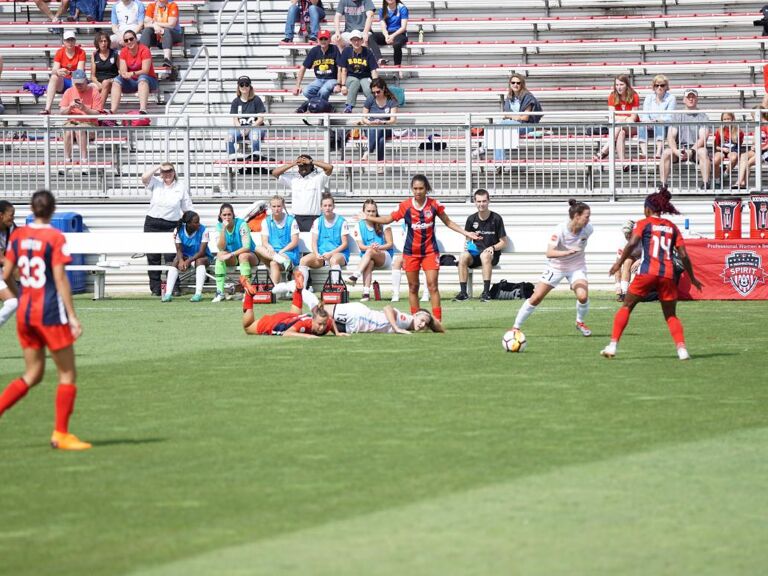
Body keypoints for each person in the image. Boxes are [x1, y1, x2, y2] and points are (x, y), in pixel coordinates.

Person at [0, 190, 90, 451]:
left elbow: (6, 274)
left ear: (31, 209)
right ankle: (60, 434)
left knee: (33, 373)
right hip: (49, 313)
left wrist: (23, 296)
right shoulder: (53, 237)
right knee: (67, 373)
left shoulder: (18, 236)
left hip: (26, 314)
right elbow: (60, 278)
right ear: (52, 210)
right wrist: (72, 316)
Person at [359, 173, 481, 321]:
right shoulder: (405, 206)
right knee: (413, 287)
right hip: (411, 253)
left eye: (421, 188)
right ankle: (416, 320)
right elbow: (388, 219)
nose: (417, 191)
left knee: (432, 286)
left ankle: (437, 321)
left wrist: (466, 232)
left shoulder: (434, 205)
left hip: (430, 252)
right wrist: (368, 217)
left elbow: (448, 222)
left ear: (426, 189)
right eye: (415, 188)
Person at [602, 186, 703, 360]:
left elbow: (631, 244)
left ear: (648, 208)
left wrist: (618, 263)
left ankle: (612, 346)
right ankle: (682, 350)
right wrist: (692, 278)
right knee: (671, 315)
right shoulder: (672, 227)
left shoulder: (643, 223)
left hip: (647, 273)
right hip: (667, 275)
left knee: (626, 306)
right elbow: (684, 256)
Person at [509, 199, 593, 337]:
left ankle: (580, 322)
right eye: (586, 216)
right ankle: (515, 327)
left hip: (577, 267)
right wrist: (566, 252)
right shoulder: (560, 230)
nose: (589, 220)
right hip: (556, 267)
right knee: (536, 297)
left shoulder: (589, 229)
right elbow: (549, 253)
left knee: (583, 296)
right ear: (577, 216)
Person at [291, 278, 444, 333]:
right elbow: (388, 308)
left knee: (318, 325)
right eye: (421, 319)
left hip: (357, 325)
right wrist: (396, 328)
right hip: (358, 315)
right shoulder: (407, 320)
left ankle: (292, 317)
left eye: (425, 323)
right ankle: (297, 287)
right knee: (319, 311)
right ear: (415, 314)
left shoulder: (410, 325)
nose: (422, 324)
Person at [141, 162, 193, 296]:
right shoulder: (156, 183)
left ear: (174, 172)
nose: (167, 174)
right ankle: (155, 288)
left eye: (169, 171)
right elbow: (144, 177)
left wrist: (191, 225)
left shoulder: (180, 187)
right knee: (153, 257)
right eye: (164, 172)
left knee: (172, 256)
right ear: (160, 173)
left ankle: (174, 287)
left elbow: (187, 209)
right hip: (152, 223)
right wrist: (159, 166)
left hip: (172, 224)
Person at [242, 271, 337, 338]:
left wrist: (337, 333)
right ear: (313, 320)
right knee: (248, 327)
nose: (322, 327)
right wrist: (308, 336)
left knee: (295, 316)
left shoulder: (325, 322)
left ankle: (298, 291)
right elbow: (287, 333)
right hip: (273, 323)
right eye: (319, 324)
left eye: (324, 324)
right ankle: (249, 296)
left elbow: (330, 321)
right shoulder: (304, 324)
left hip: (291, 317)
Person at [454, 188, 508, 303]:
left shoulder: (496, 218)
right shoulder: (471, 219)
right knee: (463, 256)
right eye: (478, 201)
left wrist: (492, 247)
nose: (481, 204)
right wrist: (468, 247)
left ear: (488, 201)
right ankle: (463, 293)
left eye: (484, 201)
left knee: (485, 255)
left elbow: (504, 242)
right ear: (474, 202)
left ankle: (486, 293)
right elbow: (467, 240)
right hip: (475, 256)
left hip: (491, 256)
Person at [485, 74, 541, 170]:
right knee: (499, 131)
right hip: (511, 125)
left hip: (526, 125)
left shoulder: (527, 97)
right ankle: (499, 163)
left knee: (499, 126)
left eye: (518, 83)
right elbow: (506, 115)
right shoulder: (510, 97)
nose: (515, 85)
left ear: (522, 84)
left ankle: (485, 148)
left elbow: (525, 118)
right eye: (513, 82)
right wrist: (514, 117)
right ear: (510, 84)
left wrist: (512, 117)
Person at [659, 88, 710, 189]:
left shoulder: (703, 116)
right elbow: (671, 136)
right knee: (666, 152)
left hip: (695, 149)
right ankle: (663, 184)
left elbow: (703, 138)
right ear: (684, 99)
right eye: (688, 97)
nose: (691, 99)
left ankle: (706, 183)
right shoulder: (677, 116)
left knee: (703, 152)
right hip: (680, 149)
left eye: (693, 97)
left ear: (697, 99)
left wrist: (691, 151)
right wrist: (675, 151)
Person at [298, 192, 350, 285]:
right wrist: (317, 253)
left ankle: (336, 287)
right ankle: (302, 289)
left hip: (338, 255)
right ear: (321, 207)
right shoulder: (318, 221)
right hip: (322, 255)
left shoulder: (342, 221)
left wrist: (331, 253)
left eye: (330, 205)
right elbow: (314, 242)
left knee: (334, 260)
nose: (327, 208)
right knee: (303, 260)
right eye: (325, 205)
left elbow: (345, 244)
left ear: (334, 207)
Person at [58, 69, 103, 175]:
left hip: (89, 124)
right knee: (68, 129)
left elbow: (97, 113)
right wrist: (70, 107)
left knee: (79, 129)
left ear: (86, 81)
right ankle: (67, 160)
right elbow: (62, 112)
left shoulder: (94, 91)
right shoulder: (69, 91)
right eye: (76, 84)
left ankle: (84, 161)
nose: (79, 86)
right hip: (73, 123)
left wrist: (84, 108)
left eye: (81, 83)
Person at [271, 154, 334, 232]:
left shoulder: (318, 179)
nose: (303, 167)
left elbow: (330, 168)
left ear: (311, 166)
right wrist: (293, 164)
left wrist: (311, 161)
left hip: (313, 218)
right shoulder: (293, 179)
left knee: (312, 242)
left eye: (306, 165)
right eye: (301, 165)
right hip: (296, 218)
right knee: (295, 243)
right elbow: (274, 173)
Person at [348, 199, 394, 302]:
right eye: (368, 211)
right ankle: (366, 293)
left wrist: (378, 248)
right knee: (369, 260)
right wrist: (372, 248)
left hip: (385, 257)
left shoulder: (383, 223)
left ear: (376, 211)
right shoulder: (358, 226)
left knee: (369, 251)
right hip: (368, 259)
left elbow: (390, 244)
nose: (371, 213)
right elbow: (361, 247)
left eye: (373, 211)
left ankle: (356, 275)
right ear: (364, 212)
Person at [213, 203, 259, 303]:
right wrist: (223, 230)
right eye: (224, 215)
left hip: (250, 255)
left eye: (229, 214)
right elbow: (221, 247)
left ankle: (247, 292)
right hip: (233, 257)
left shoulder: (241, 224)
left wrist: (232, 254)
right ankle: (220, 292)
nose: (227, 217)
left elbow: (246, 247)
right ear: (220, 216)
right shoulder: (219, 226)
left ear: (233, 215)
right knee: (220, 255)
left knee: (243, 256)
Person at [163, 210, 211, 302]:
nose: (199, 224)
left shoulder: (204, 230)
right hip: (186, 256)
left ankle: (198, 294)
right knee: (176, 260)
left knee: (199, 261)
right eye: (196, 222)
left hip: (202, 257)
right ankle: (168, 294)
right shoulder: (178, 230)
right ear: (188, 224)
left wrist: (188, 261)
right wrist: (181, 260)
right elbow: (179, 250)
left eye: (199, 221)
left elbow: (202, 252)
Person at [593, 74, 639, 171]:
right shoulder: (612, 96)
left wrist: (622, 119)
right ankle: (623, 163)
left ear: (627, 85)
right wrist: (625, 118)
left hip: (632, 127)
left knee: (618, 123)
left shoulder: (634, 95)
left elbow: (633, 118)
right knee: (620, 132)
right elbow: (611, 116)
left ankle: (604, 150)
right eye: (617, 85)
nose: (619, 87)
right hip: (620, 127)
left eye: (621, 84)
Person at [110, 29, 159, 115]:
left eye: (131, 39)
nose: (129, 41)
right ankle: (113, 110)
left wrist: (132, 73)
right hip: (132, 80)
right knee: (116, 81)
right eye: (126, 40)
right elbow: (123, 70)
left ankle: (143, 109)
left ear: (136, 39)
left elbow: (145, 70)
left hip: (149, 79)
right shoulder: (124, 51)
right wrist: (124, 74)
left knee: (142, 78)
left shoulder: (144, 50)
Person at [255, 195, 301, 285]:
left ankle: (273, 292)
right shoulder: (266, 221)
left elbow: (295, 242)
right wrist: (269, 247)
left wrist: (282, 251)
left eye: (279, 206)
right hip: (273, 254)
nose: (276, 209)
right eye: (274, 206)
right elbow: (264, 241)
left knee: (273, 263)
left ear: (283, 206)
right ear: (270, 207)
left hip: (288, 253)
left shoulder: (291, 220)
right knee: (257, 248)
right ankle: (282, 261)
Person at [293, 29, 342, 111]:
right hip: (319, 79)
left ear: (329, 40)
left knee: (323, 91)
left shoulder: (334, 49)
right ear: (317, 40)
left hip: (332, 79)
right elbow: (303, 68)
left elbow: (340, 67)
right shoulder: (314, 51)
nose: (323, 41)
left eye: (325, 39)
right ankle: (328, 107)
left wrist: (339, 84)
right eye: (321, 39)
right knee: (306, 91)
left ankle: (310, 105)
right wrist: (297, 85)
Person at [40, 30, 86, 115]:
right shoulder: (60, 52)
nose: (70, 42)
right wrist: (58, 71)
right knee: (54, 77)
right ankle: (47, 109)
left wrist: (68, 73)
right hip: (64, 82)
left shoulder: (81, 52)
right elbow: (54, 70)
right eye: (68, 40)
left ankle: (76, 107)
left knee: (75, 77)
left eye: (72, 40)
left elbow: (80, 72)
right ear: (64, 42)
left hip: (75, 81)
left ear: (75, 41)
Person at [361, 77, 398, 174]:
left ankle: (368, 151)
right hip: (371, 127)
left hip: (385, 127)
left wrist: (382, 122)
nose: (376, 94)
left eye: (378, 92)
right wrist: (370, 122)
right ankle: (380, 164)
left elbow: (393, 120)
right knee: (381, 140)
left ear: (384, 89)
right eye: (373, 92)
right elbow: (363, 118)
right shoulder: (370, 99)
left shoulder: (391, 100)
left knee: (380, 128)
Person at [339, 29, 379, 113]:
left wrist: (375, 83)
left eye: (358, 40)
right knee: (355, 81)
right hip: (351, 77)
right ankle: (349, 106)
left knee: (368, 89)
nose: (356, 42)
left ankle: (373, 106)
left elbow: (373, 70)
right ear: (350, 41)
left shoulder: (368, 52)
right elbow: (344, 69)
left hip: (365, 77)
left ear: (362, 41)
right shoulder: (346, 51)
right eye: (354, 40)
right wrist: (343, 85)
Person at [227, 76, 266, 160]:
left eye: (246, 84)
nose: (244, 86)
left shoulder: (256, 100)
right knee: (230, 134)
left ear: (250, 86)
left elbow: (260, 119)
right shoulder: (235, 102)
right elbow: (235, 119)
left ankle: (256, 156)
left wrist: (249, 128)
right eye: (241, 84)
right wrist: (241, 129)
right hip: (241, 128)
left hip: (255, 127)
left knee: (255, 134)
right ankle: (232, 156)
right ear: (238, 87)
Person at [638, 74, 675, 159]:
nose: (659, 87)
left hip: (665, 125)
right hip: (651, 124)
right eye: (656, 85)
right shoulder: (649, 97)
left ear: (666, 86)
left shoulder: (671, 98)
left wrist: (658, 120)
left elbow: (669, 116)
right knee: (641, 125)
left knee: (659, 124)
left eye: (662, 85)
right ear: (653, 87)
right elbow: (645, 114)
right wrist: (648, 121)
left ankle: (658, 152)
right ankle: (644, 153)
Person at [140, 0, 182, 70]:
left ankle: (167, 59)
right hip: (157, 34)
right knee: (146, 30)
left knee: (166, 30)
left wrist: (156, 24)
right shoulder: (151, 6)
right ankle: (142, 59)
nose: (159, 2)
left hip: (174, 34)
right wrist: (154, 26)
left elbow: (171, 24)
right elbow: (146, 24)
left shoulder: (172, 5)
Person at [734, 108, 768, 190]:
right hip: (759, 150)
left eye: (754, 117)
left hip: (765, 151)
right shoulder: (759, 126)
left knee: (748, 163)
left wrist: (761, 148)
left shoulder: (767, 125)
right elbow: (755, 141)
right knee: (743, 156)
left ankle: (741, 182)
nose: (753, 119)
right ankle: (741, 182)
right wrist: (754, 145)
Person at [371, 0, 409, 66]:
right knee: (371, 37)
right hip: (388, 33)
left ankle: (397, 68)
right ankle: (380, 59)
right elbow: (383, 26)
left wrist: (392, 36)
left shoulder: (402, 8)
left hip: (399, 33)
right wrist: (386, 36)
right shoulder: (383, 9)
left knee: (397, 44)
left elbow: (403, 27)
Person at [0, 200, 18, 329]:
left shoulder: (12, 229)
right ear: (1, 215)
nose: (13, 218)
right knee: (13, 303)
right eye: (11, 215)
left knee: (15, 302)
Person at [613, 219, 641, 302]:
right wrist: (617, 286)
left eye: (629, 233)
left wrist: (639, 260)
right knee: (627, 262)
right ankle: (624, 293)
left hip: (646, 258)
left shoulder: (642, 239)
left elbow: (650, 254)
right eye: (625, 233)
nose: (627, 235)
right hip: (634, 258)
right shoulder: (623, 243)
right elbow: (617, 265)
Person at [712, 111, 743, 185]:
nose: (726, 121)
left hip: (733, 150)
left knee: (734, 157)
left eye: (728, 119)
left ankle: (726, 173)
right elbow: (716, 146)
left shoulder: (738, 131)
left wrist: (732, 150)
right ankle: (717, 180)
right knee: (716, 160)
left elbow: (740, 144)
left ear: (732, 119)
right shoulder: (719, 131)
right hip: (721, 150)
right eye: (724, 119)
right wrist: (723, 149)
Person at [91, 31, 120, 108]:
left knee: (106, 83)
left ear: (108, 42)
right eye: (101, 41)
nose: (103, 43)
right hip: (99, 82)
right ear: (97, 43)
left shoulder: (115, 54)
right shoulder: (94, 55)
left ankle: (99, 108)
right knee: (87, 87)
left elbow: (120, 71)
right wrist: (98, 83)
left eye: (105, 41)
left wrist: (113, 80)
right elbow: (92, 76)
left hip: (112, 81)